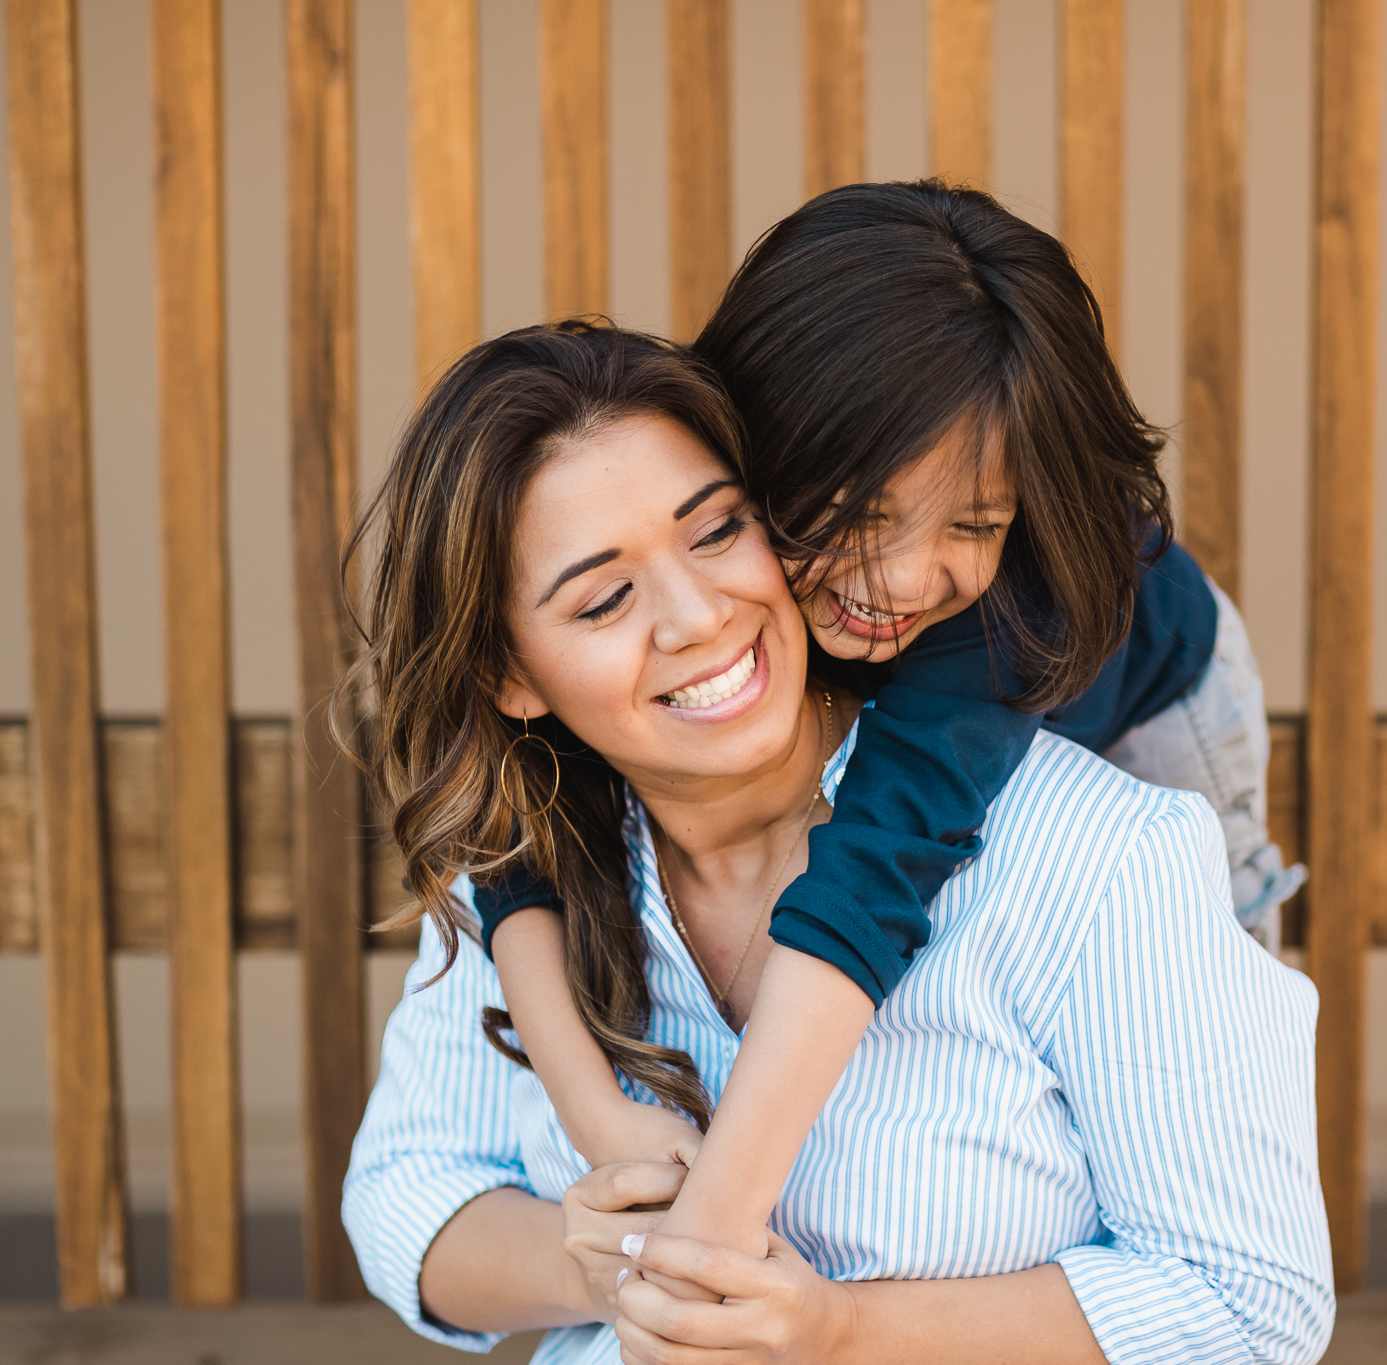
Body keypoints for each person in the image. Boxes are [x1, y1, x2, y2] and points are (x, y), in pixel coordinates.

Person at [340, 322, 1333, 1363]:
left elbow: (1249, 1303)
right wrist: (595, 1259)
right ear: (512, 677)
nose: (696, 616)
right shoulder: (530, 870)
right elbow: (404, 1193)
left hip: (1140, 668)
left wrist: (841, 1331)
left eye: (716, 532)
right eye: (604, 598)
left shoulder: (1088, 853)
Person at [476, 184, 1306, 1283]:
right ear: (758, 444)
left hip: (1156, 697)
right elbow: (506, 843)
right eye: (861, 515)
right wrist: (596, 1118)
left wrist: (712, 1229)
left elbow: (871, 874)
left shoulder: (996, 611)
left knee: (1177, 1015)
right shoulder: (702, 523)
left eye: (975, 521)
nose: (907, 579)